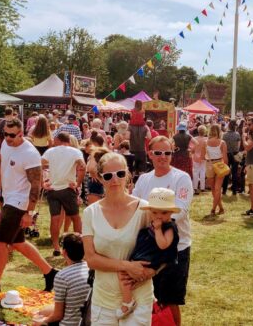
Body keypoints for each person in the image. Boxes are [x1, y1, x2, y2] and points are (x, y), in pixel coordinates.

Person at [0, 118, 58, 298]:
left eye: (12, 135)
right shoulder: (6, 143)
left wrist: (29, 213)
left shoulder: (30, 154)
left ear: (21, 133)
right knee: (17, 243)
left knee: (0, 241)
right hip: (8, 198)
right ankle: (50, 272)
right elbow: (0, 158)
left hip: (19, 203)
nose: (8, 138)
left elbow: (36, 185)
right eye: (5, 134)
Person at [82, 152, 157, 325]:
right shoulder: (90, 213)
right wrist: (127, 266)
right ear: (100, 179)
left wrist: (151, 271)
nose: (115, 180)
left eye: (120, 174)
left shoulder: (144, 209)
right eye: (108, 176)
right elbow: (91, 259)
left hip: (139, 298)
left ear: (128, 174)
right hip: (104, 300)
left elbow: (164, 249)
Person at [133, 136, 193, 325]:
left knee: (169, 299)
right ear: (150, 154)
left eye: (167, 153)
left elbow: (180, 210)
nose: (162, 157)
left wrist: (157, 224)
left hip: (176, 249)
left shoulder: (181, 178)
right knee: (146, 297)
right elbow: (134, 207)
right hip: (148, 250)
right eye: (158, 153)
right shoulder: (143, 179)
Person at [119, 187, 179, 319]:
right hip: (144, 257)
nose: (158, 216)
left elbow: (163, 245)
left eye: (163, 213)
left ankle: (128, 303)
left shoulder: (169, 227)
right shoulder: (151, 224)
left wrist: (157, 230)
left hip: (156, 261)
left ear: (171, 213)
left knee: (128, 277)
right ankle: (129, 300)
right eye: (155, 212)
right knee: (123, 272)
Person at [32, 233, 91, 326]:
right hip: (88, 320)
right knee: (44, 311)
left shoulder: (62, 276)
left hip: (70, 323)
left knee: (39, 320)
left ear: (64, 252)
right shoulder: (91, 270)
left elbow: (58, 315)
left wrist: (42, 321)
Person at [42, 132, 86, 257]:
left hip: (53, 190)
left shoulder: (50, 151)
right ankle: (80, 244)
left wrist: (42, 183)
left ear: (57, 139)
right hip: (68, 189)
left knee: (55, 219)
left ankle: (56, 247)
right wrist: (77, 183)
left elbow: (39, 165)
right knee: (75, 217)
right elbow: (83, 166)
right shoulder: (75, 152)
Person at [206, 124, 228, 215]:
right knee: (217, 189)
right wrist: (226, 167)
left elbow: (204, 156)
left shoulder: (206, 142)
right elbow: (225, 158)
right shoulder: (222, 142)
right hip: (219, 164)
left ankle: (216, 209)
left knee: (213, 189)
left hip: (209, 164)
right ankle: (216, 208)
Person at [222, 120, 243, 196]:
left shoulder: (224, 135)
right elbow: (238, 146)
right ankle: (234, 190)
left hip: (227, 154)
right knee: (234, 173)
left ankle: (224, 190)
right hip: (235, 154)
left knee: (226, 172)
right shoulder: (237, 134)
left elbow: (223, 146)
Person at [191, 126, 208, 195]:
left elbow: (192, 149)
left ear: (198, 131)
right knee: (203, 172)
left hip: (195, 157)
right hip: (203, 157)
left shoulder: (195, 139)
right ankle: (202, 187)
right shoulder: (207, 139)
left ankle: (195, 187)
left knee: (195, 172)